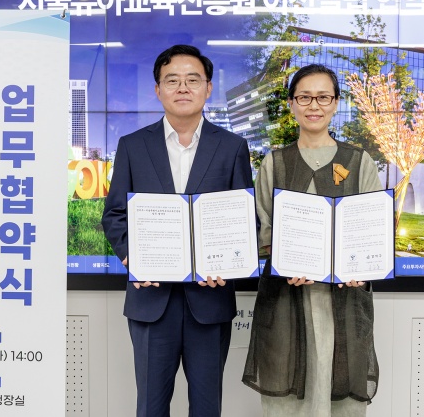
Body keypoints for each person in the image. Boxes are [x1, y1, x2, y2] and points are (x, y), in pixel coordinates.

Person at [101, 44, 253, 417]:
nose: (183, 88)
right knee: (151, 407)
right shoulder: (133, 146)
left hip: (210, 301)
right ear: (158, 89)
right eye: (172, 80)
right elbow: (115, 214)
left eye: (192, 79)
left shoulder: (232, 147)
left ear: (208, 88)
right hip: (151, 302)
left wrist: (229, 262)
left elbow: (244, 218)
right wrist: (132, 256)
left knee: (207, 407)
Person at [242, 64, 382, 417]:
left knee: (342, 401)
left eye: (323, 97)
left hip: (344, 303)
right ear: (291, 104)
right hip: (287, 301)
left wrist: (362, 265)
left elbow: (372, 230)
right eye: (304, 97)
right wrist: (282, 258)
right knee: (287, 402)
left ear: (336, 103)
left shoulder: (359, 161)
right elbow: (263, 226)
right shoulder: (275, 163)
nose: (314, 105)